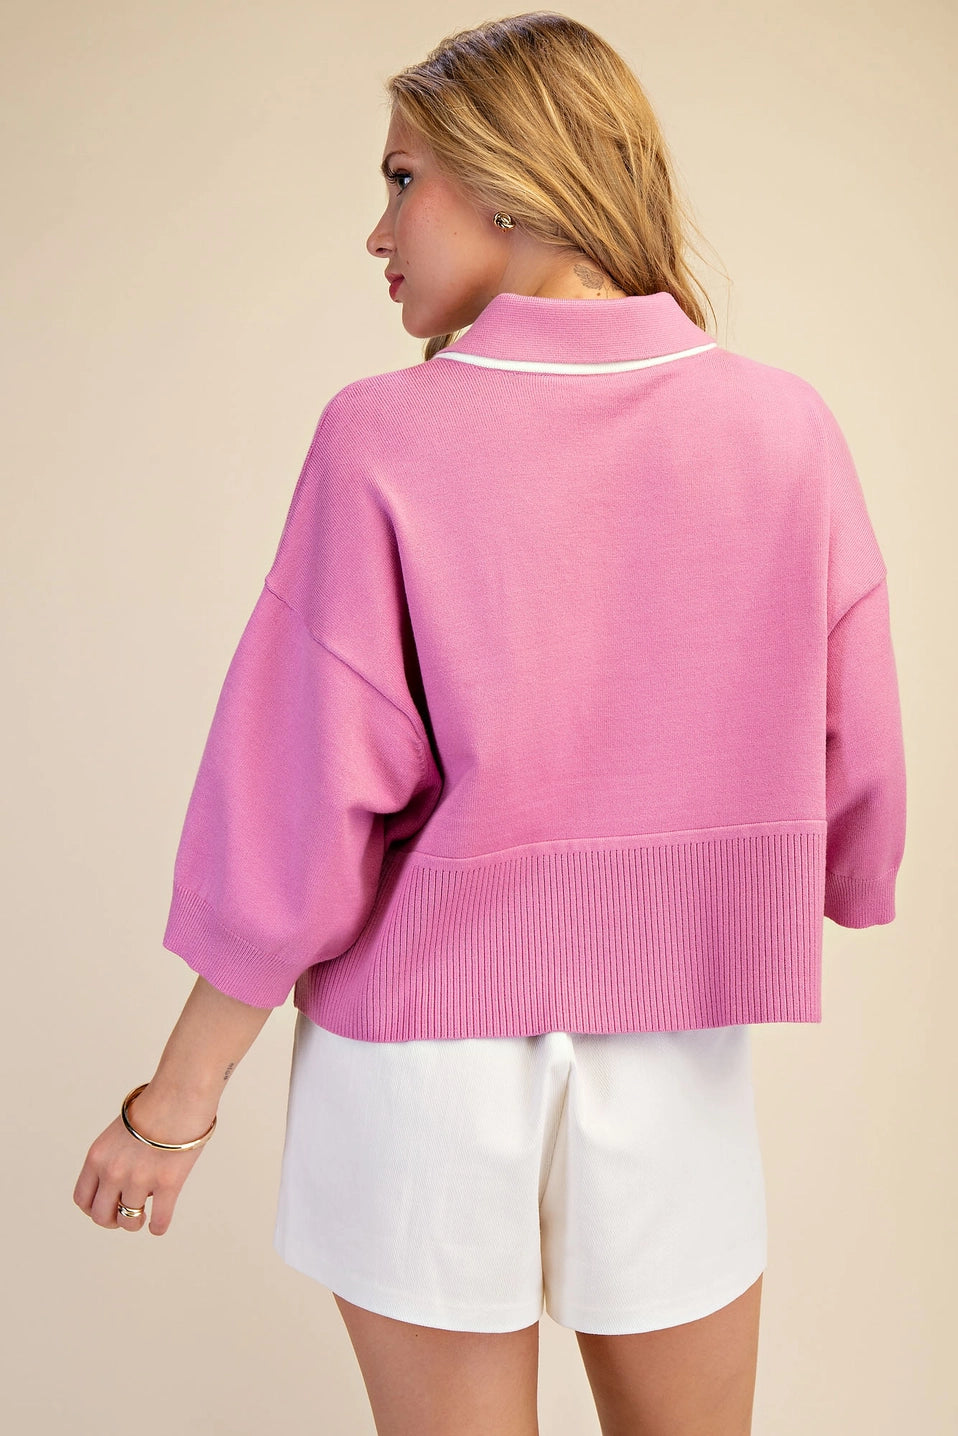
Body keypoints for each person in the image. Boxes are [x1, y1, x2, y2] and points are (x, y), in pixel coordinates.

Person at [73, 12, 906, 1435]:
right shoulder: (783, 425)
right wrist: (836, 873)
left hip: (420, 1061)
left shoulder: (384, 434)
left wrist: (176, 1104)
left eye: (402, 179)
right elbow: (857, 740)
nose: (377, 230)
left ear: (513, 182)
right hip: (678, 1033)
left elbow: (303, 805)